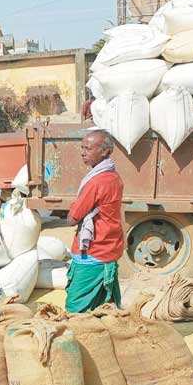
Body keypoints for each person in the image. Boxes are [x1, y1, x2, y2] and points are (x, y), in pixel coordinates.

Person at [65, 129, 124, 313]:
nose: (83, 152)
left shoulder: (96, 182)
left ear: (105, 151)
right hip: (109, 247)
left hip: (93, 250)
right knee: (102, 307)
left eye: (88, 148)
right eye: (82, 148)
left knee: (75, 308)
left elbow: (72, 219)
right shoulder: (114, 177)